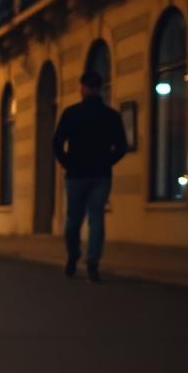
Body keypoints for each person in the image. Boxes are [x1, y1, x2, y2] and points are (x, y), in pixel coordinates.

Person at [52, 69, 129, 282]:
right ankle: (93, 261)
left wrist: (68, 162)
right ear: (100, 88)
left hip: (76, 174)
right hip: (101, 175)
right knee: (97, 219)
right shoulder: (111, 116)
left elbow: (57, 143)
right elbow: (122, 146)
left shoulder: (71, 113)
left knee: (73, 220)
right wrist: (107, 161)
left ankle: (73, 254)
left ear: (83, 88)